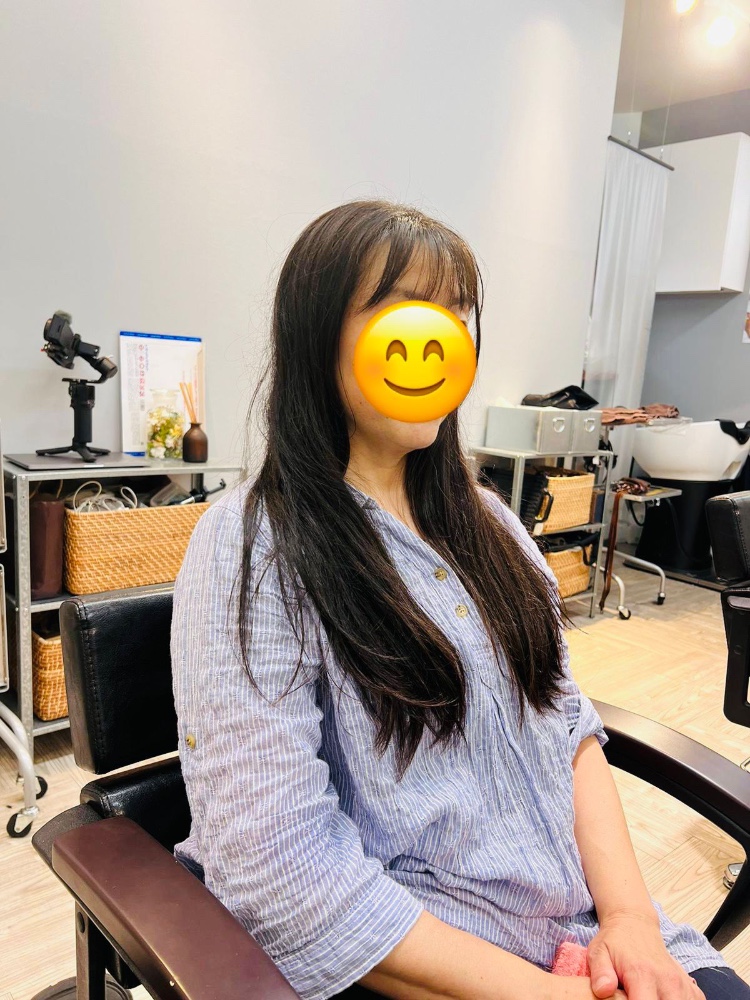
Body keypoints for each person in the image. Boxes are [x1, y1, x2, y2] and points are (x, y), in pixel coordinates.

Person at [170, 200, 749, 1000]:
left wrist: (633, 926)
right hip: (436, 966)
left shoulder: (491, 525)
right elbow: (278, 870)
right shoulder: (252, 546)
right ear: (317, 334)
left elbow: (567, 726)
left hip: (589, 939)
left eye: (454, 313)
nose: (435, 339)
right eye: (402, 307)